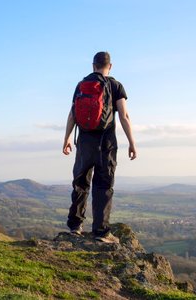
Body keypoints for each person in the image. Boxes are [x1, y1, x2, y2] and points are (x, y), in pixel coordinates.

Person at [62, 51, 137, 243]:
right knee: (103, 186)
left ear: (93, 65)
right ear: (109, 66)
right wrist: (132, 142)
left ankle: (75, 226)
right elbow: (124, 116)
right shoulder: (115, 85)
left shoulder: (81, 85)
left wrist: (67, 138)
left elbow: (72, 115)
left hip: (84, 144)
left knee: (80, 183)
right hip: (106, 145)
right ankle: (101, 232)